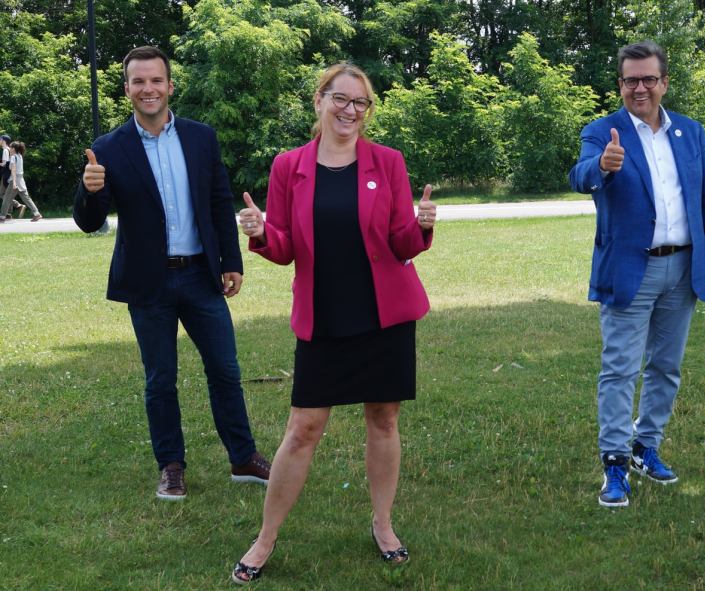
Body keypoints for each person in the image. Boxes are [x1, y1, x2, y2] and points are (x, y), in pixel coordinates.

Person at [230, 62, 435, 584]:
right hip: (323, 315)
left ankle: (383, 526)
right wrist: (258, 232)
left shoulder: (387, 162)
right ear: (319, 100)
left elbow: (401, 244)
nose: (349, 110)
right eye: (340, 99)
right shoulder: (288, 166)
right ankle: (265, 538)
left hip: (383, 314)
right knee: (303, 429)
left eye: (360, 103)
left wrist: (421, 224)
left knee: (383, 419)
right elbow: (284, 248)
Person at [73, 46, 271, 501]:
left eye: (156, 80)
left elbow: (219, 202)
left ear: (170, 86)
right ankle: (171, 466)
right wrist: (89, 191)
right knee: (160, 378)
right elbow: (88, 220)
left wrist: (232, 261)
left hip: (201, 276)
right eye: (138, 82)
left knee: (224, 369)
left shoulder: (202, 138)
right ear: (127, 90)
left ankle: (243, 457)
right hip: (149, 283)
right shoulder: (107, 148)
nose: (148, 89)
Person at [569, 40, 705, 508]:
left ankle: (646, 446)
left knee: (666, 366)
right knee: (620, 370)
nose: (639, 88)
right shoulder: (604, 130)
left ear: (663, 82)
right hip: (629, 270)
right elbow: (579, 175)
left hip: (684, 268)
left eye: (648, 79)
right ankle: (615, 462)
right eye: (629, 80)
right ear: (619, 84)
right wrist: (602, 166)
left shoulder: (691, 133)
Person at [7, 142, 43, 221]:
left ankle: (4, 215)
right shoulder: (20, 156)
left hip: (16, 179)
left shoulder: (14, 157)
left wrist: (14, 183)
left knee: (7, 198)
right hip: (21, 179)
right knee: (26, 198)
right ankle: (37, 213)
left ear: (13, 148)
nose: (9, 149)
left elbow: (13, 170)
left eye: (10, 147)